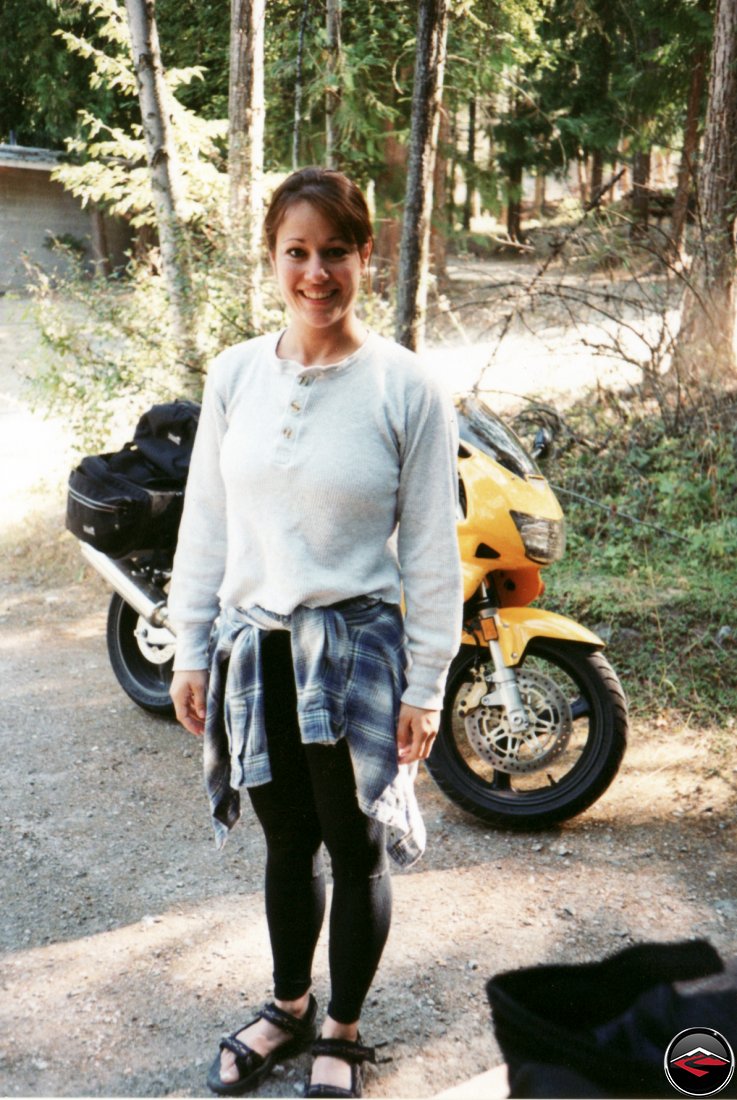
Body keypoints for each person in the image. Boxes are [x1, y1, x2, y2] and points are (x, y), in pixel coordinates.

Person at [167, 166, 463, 1099]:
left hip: (358, 654)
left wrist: (427, 682)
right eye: (297, 252)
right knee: (285, 842)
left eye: (335, 251)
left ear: (364, 255)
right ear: (273, 258)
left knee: (355, 843)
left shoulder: (405, 385)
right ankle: (288, 1007)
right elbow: (206, 521)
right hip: (256, 649)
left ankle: (342, 1029)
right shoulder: (235, 375)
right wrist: (189, 643)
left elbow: (429, 549)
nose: (316, 273)